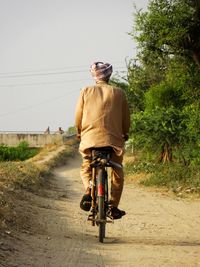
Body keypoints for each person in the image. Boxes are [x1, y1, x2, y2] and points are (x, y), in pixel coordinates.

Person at [75, 62, 130, 219]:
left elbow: (78, 115)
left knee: (86, 166)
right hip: (114, 141)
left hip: (90, 139)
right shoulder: (119, 92)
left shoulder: (85, 91)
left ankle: (88, 189)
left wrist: (80, 132)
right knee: (117, 172)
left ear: (94, 76)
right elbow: (126, 118)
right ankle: (113, 206)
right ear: (109, 75)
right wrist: (125, 133)